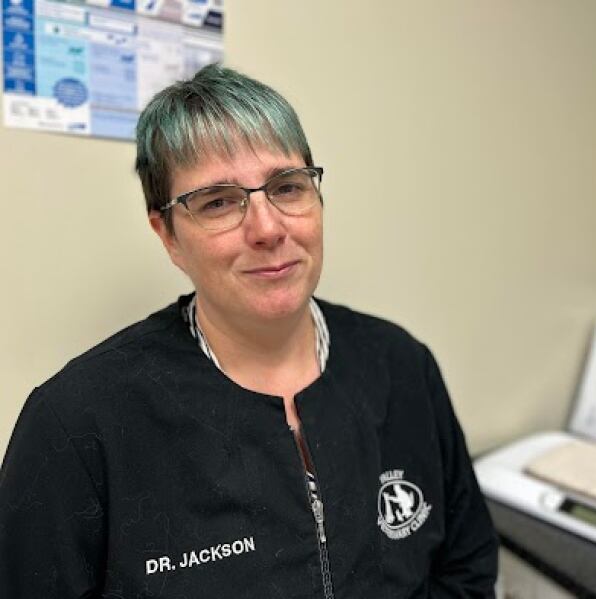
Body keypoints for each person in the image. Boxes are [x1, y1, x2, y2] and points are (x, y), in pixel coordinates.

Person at [0, 63, 498, 598]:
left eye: (287, 187)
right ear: (167, 235)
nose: (267, 229)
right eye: (217, 201)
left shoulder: (402, 366)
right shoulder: (78, 423)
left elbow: (466, 568)